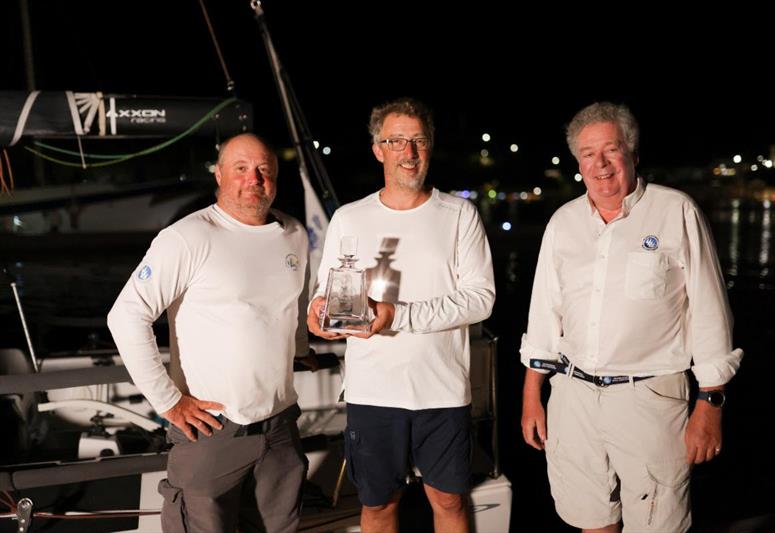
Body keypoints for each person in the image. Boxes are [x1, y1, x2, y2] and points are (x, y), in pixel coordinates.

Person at [520, 102, 743, 533]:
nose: (600, 164)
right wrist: (533, 396)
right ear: (577, 162)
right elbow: (544, 315)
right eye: (588, 154)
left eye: (611, 149)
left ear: (633, 154)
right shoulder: (562, 223)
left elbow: (710, 313)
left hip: (651, 401)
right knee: (592, 521)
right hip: (573, 399)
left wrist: (710, 403)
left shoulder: (676, 211)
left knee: (658, 526)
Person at [307, 97, 495, 533]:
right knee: (377, 505)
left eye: (418, 141)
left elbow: (481, 299)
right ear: (378, 149)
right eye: (396, 141)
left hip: (442, 390)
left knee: (449, 501)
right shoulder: (348, 218)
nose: (408, 152)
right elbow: (325, 290)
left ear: (429, 148)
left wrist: (397, 315)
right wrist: (318, 312)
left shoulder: (459, 215)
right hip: (373, 392)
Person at [108, 133, 310, 533]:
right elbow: (126, 315)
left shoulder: (294, 234)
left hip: (280, 427)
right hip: (211, 428)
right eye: (240, 169)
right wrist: (168, 401)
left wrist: (300, 348)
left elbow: (293, 304)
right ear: (219, 175)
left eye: (263, 170)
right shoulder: (188, 237)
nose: (253, 178)